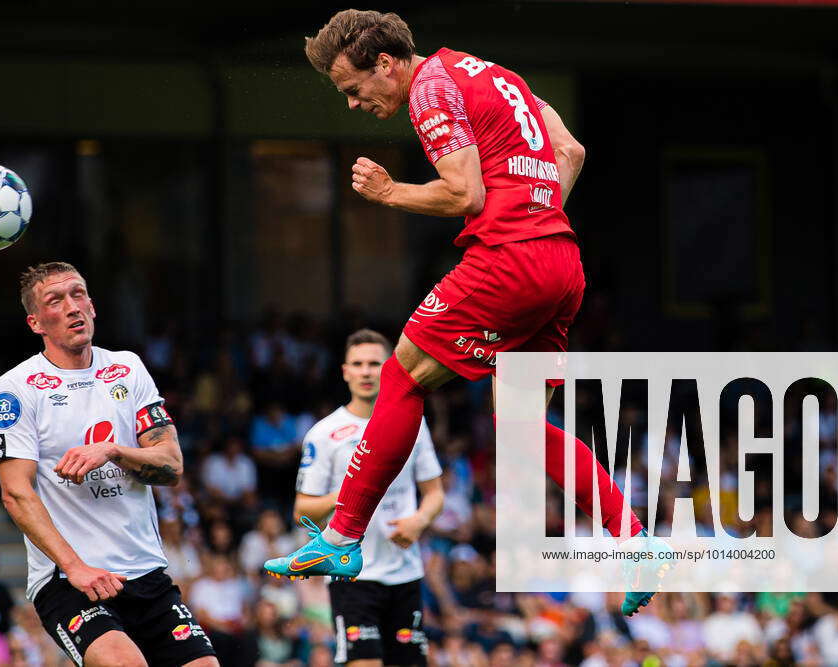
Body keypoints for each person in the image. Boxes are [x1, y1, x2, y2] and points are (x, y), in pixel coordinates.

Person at [266, 9, 665, 616]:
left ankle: (344, 536)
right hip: (561, 263)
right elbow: (571, 150)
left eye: (353, 90)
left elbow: (464, 193)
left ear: (386, 64)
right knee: (522, 430)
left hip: (509, 262)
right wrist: (534, 219)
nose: (353, 105)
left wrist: (388, 192)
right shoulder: (497, 77)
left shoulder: (429, 87)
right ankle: (633, 538)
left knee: (401, 375)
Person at [0, 262, 217, 666]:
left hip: (146, 575)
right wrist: (75, 568)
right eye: (55, 301)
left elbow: (172, 465)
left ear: (92, 306)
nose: (72, 306)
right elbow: (15, 492)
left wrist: (113, 450)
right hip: (70, 580)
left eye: (78, 294)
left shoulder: (127, 368)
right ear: (35, 322)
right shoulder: (16, 389)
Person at [285, 329, 443, 666]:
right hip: (352, 575)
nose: (366, 371)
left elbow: (435, 494)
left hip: (405, 573)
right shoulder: (324, 433)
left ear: (389, 368)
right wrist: (352, 490)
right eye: (358, 364)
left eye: (375, 363)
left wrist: (420, 520)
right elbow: (302, 510)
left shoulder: (414, 423)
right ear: (345, 371)